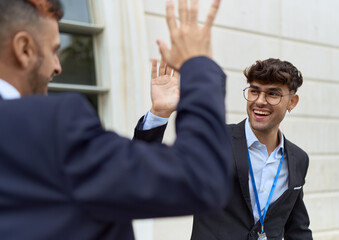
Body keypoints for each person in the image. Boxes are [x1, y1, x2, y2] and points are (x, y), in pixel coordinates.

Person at [0, 0, 233, 239]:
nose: (57, 67)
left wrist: (158, 115)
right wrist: (198, 65)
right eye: (53, 50)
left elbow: (118, 182)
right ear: (24, 48)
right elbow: (200, 177)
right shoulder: (52, 125)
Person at [137, 58, 313, 239]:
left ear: (292, 101)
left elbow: (297, 229)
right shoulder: (214, 139)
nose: (260, 101)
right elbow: (148, 171)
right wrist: (159, 114)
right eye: (254, 91)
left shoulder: (298, 159)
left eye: (272, 94)